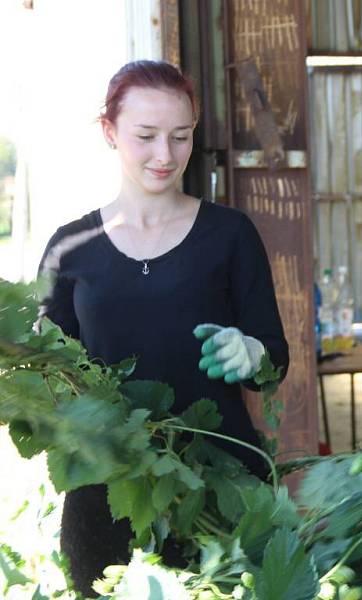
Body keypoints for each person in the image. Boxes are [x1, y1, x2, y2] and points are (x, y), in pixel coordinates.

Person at [38, 60, 289, 596]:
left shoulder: (230, 235)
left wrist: (254, 355)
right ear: (110, 132)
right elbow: (48, 376)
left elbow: (273, 360)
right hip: (107, 495)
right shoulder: (69, 249)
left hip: (221, 487)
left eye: (181, 137)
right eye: (146, 136)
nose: (165, 155)